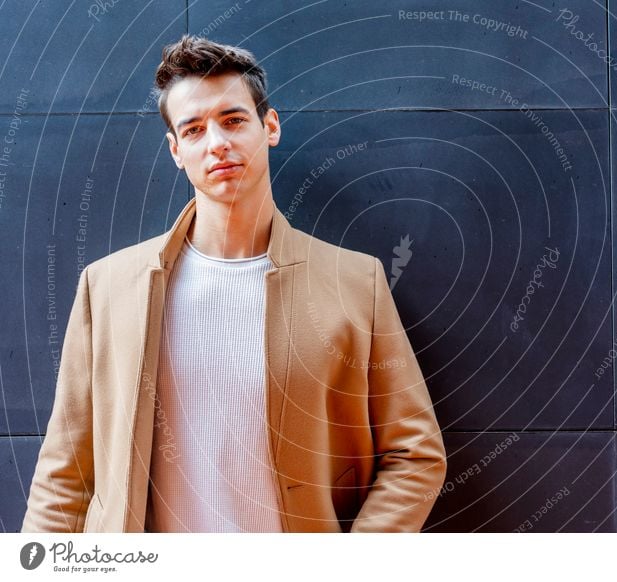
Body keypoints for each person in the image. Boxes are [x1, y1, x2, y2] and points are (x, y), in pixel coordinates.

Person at [22, 35, 446, 533]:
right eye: (195, 129)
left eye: (233, 119)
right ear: (176, 150)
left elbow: (415, 453)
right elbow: (65, 474)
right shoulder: (109, 287)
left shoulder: (355, 281)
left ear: (270, 126)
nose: (217, 143)